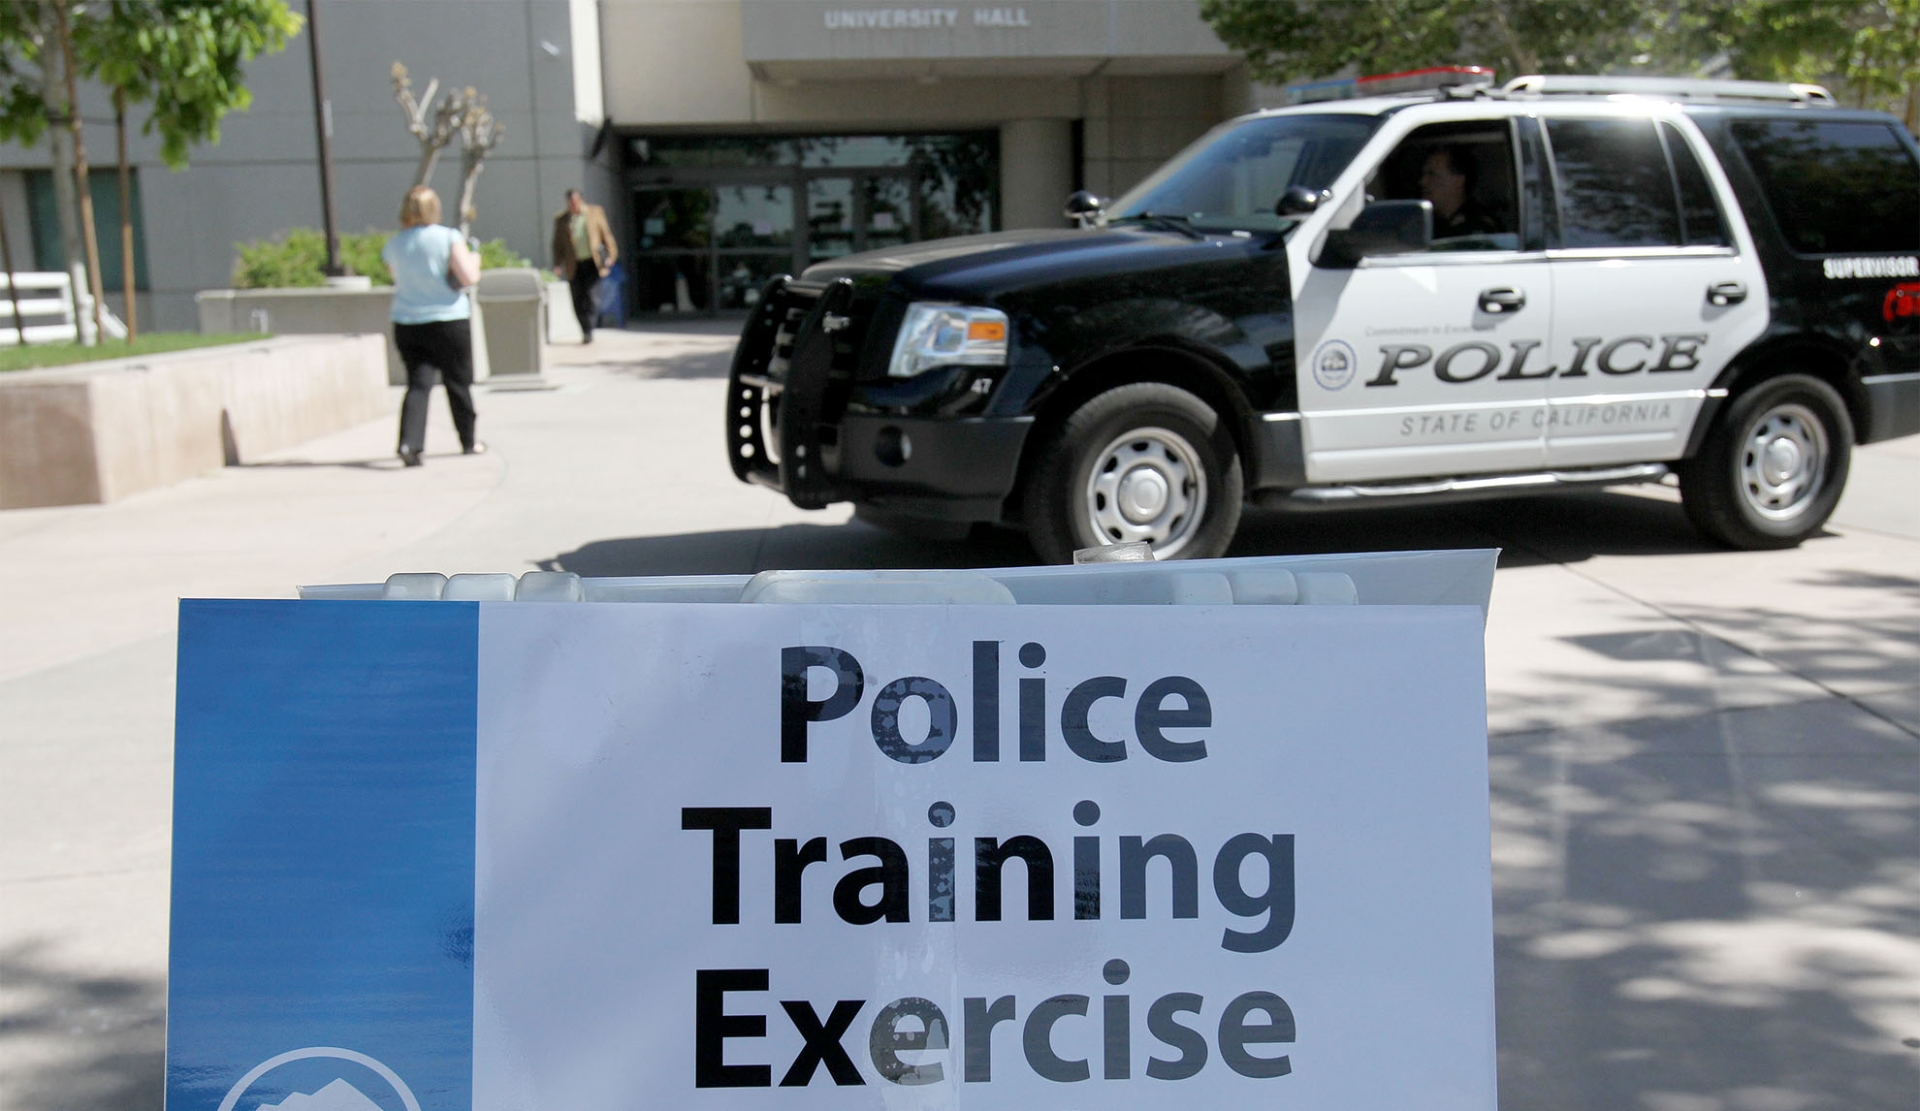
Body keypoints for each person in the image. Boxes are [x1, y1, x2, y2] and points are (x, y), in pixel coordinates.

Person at [383, 185, 483, 467]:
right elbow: (468, 277)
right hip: (448, 319)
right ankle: (468, 440)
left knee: (418, 384)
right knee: (457, 382)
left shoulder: (395, 244)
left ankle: (409, 443)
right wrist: (475, 260)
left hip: (407, 321)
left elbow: (396, 277)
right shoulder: (448, 237)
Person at [551, 188, 618, 342]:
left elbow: (606, 235)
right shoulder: (562, 220)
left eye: (576, 201)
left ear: (581, 200)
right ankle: (584, 329)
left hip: (592, 262)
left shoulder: (595, 213)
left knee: (592, 297)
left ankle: (589, 329)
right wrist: (557, 263)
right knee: (577, 299)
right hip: (574, 264)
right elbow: (557, 245)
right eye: (570, 202)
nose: (573, 205)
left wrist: (611, 256)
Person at [1418, 146, 1500, 237]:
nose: (1423, 181)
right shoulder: (1424, 222)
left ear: (1458, 181)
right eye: (1424, 174)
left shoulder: (1476, 226)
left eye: (1432, 174)